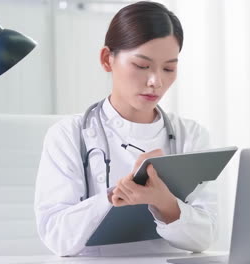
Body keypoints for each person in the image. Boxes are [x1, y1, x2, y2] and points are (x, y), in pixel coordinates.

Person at [34, 1, 217, 257]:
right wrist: (113, 197)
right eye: (142, 66)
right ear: (107, 59)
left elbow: (204, 236)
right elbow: (57, 237)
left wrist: (163, 202)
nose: (156, 81)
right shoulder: (69, 135)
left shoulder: (191, 136)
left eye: (169, 68)